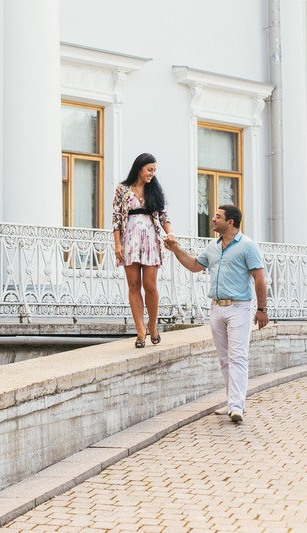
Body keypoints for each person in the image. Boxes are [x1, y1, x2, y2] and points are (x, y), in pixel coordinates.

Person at [164, 205, 268, 423]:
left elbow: (259, 277)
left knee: (237, 356)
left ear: (230, 222)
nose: (212, 219)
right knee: (224, 358)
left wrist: (261, 309)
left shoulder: (247, 246)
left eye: (218, 217)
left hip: (240, 307)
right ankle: (232, 402)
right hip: (217, 307)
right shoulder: (213, 247)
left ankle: (237, 406)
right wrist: (176, 250)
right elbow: (194, 265)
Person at [112, 153, 174, 349]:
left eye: (154, 171)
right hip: (129, 239)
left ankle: (153, 326)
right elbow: (115, 219)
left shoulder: (154, 190)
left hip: (150, 240)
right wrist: (117, 244)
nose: (152, 174)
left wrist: (170, 234)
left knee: (150, 286)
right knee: (133, 284)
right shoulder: (122, 189)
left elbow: (164, 216)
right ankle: (140, 330)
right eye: (149, 170)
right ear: (139, 168)